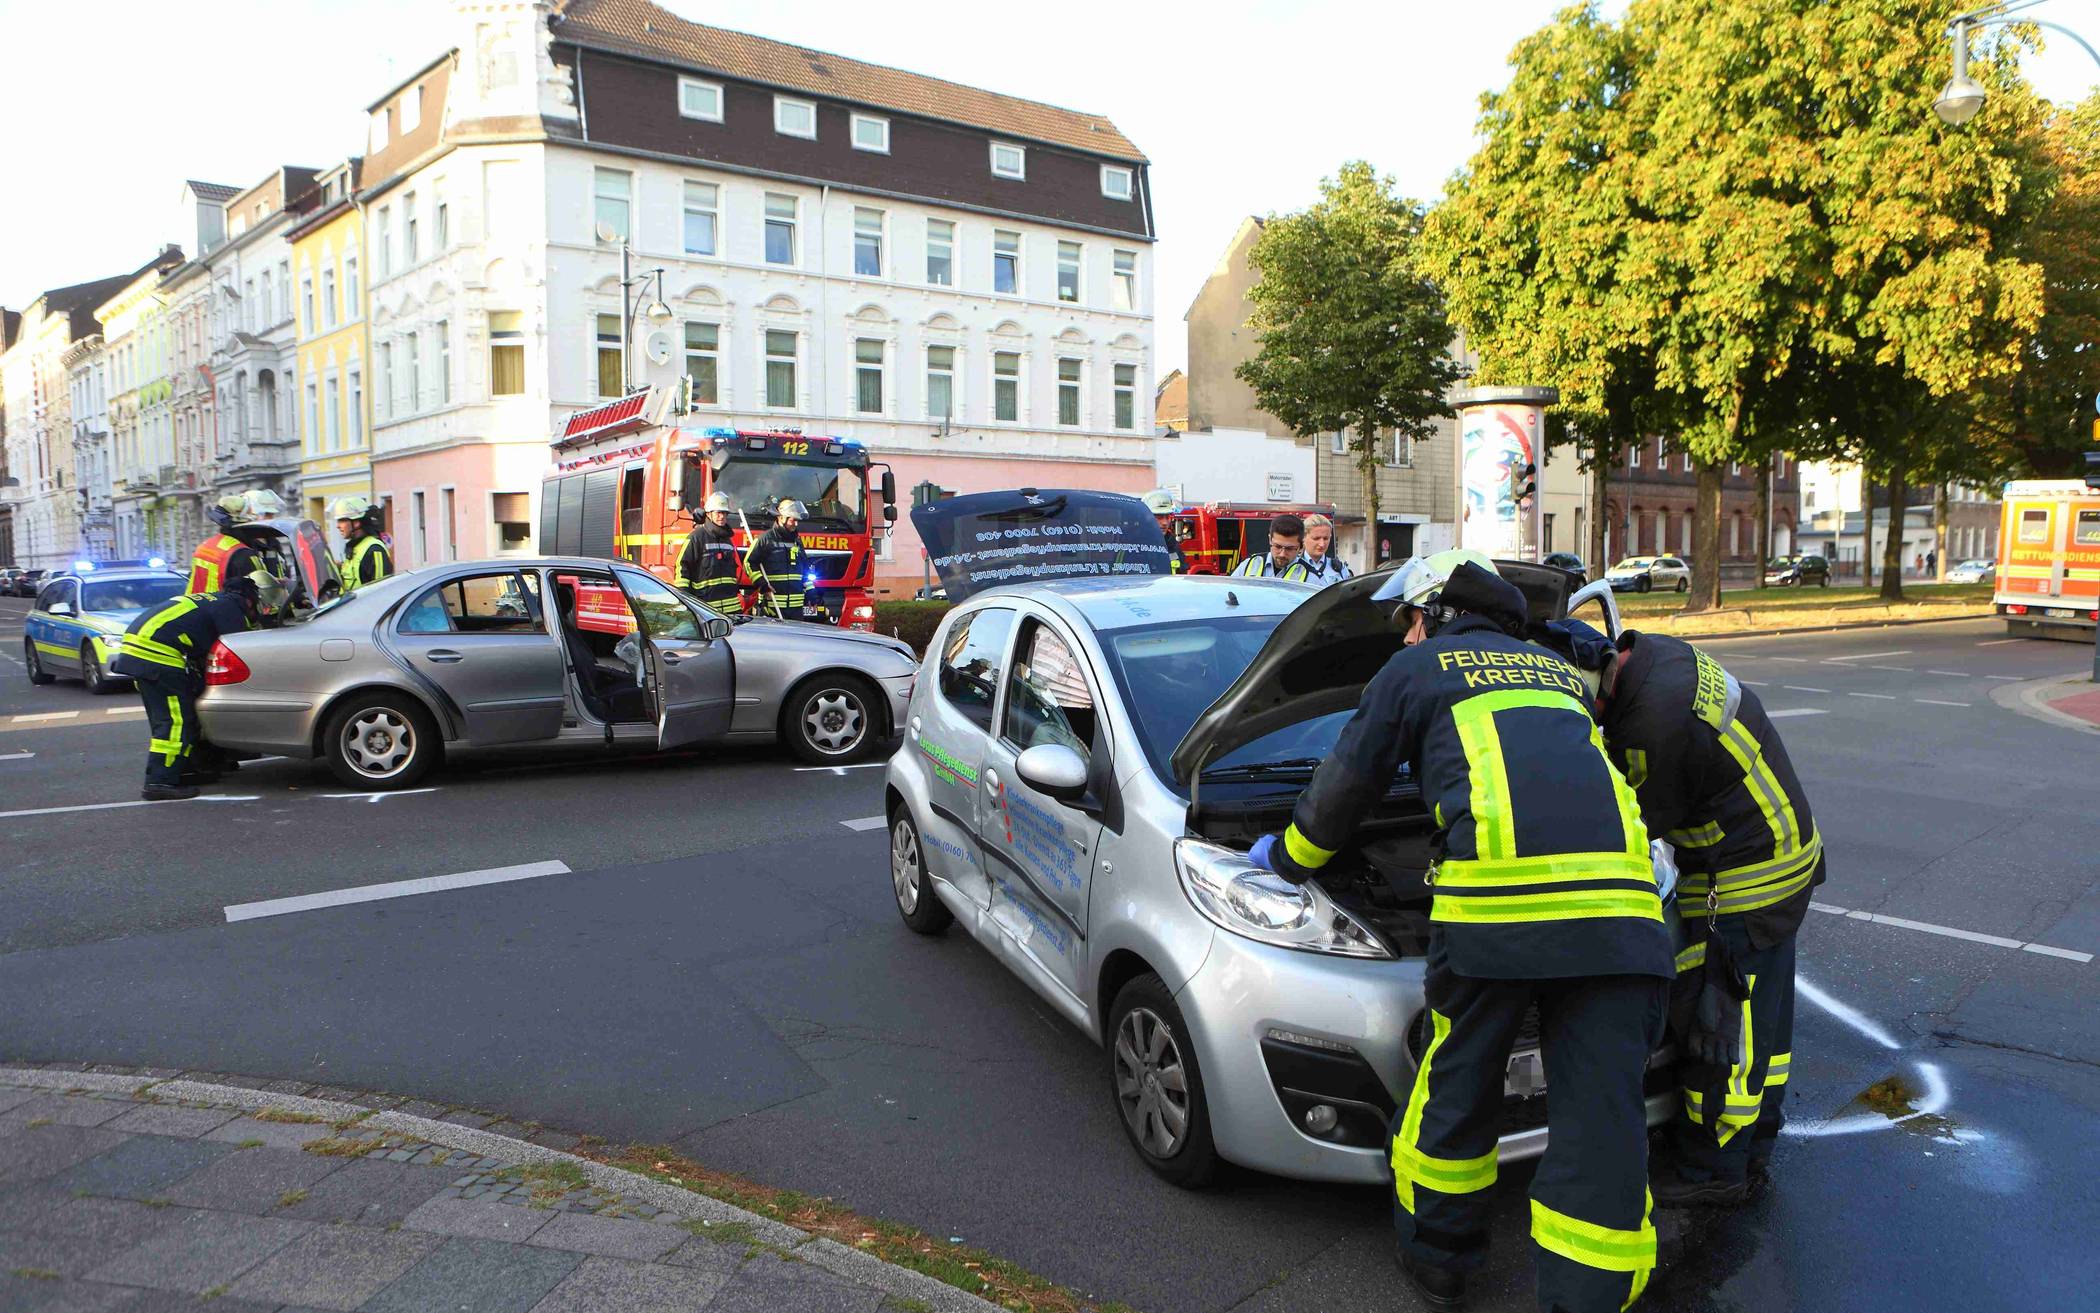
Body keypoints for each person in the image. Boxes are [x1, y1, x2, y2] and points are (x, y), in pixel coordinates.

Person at [1248, 550, 1672, 1313]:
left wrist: (1285, 855)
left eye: (1407, 622)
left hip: (1498, 924)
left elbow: (1345, 785)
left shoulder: (1418, 671)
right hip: (1625, 921)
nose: (1405, 638)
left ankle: (1438, 1258)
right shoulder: (1552, 669)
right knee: (1603, 1114)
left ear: (1431, 613)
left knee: (1461, 1080)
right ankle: (1589, 1295)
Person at [1533, 620, 1823, 1209]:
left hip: (1744, 874)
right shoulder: (1656, 657)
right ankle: (1756, 1136)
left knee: (1720, 1020)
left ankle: (1713, 1168)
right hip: (1779, 845)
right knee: (1762, 1015)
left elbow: (1632, 824)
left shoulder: (1651, 727)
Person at [108, 568, 287, 801]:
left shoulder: (217, 601)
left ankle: (183, 770)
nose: (261, 612)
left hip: (144, 650)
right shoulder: (231, 610)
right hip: (156, 656)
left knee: (182, 716)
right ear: (252, 600)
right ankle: (159, 782)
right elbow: (240, 651)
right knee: (175, 722)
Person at [676, 492, 744, 617]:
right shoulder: (696, 537)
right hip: (707, 608)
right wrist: (684, 596)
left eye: (724, 513)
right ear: (708, 514)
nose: (722, 517)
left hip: (732, 609)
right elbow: (682, 566)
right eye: (718, 513)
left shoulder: (728, 540)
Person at [745, 499, 808, 619]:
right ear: (781, 518)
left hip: (796, 610)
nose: (796, 524)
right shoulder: (765, 539)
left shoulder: (797, 542)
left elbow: (805, 569)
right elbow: (749, 564)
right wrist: (762, 585)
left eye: (797, 520)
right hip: (772, 607)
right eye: (792, 520)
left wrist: (811, 591)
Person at [187, 494, 260, 595]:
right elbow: (254, 594)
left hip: (198, 607)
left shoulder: (205, 546)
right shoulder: (242, 554)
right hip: (223, 609)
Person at [331, 496, 393, 593]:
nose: (338, 526)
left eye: (342, 520)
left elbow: (381, 592)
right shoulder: (356, 547)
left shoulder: (374, 549)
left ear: (356, 523)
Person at [1230, 513, 1310, 579]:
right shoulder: (1248, 565)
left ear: (1301, 546)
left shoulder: (1311, 577)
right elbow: (1228, 592)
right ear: (1270, 540)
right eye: (1277, 546)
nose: (1282, 554)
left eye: (1289, 549)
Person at [1301, 513, 1354, 584]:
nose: (1322, 544)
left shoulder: (1339, 568)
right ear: (1303, 537)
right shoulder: (1293, 568)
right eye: (1316, 538)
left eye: (1326, 538)